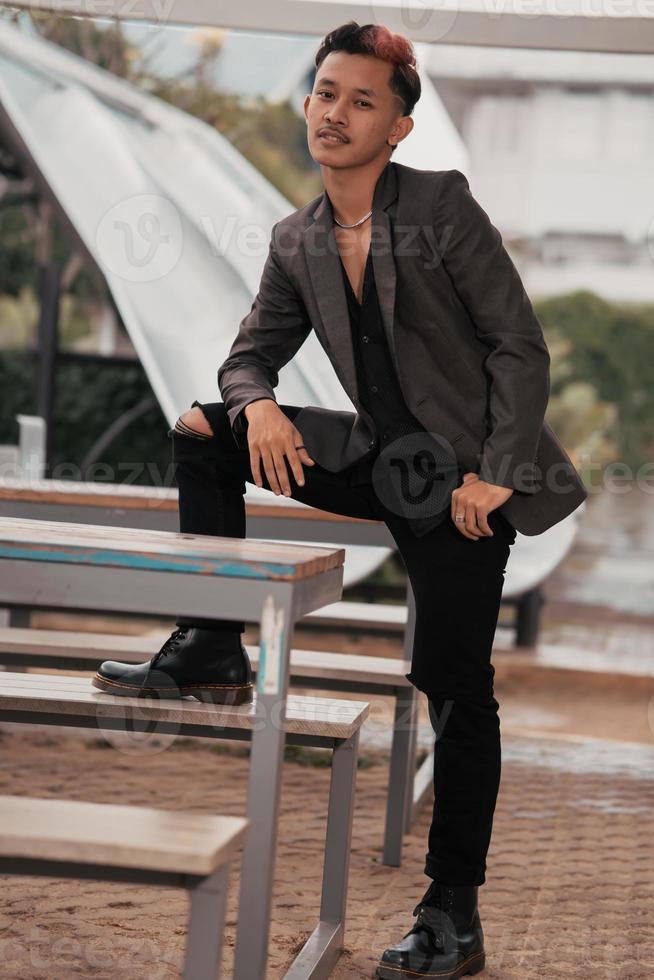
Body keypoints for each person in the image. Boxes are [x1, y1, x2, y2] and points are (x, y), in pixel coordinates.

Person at [93, 20, 587, 980]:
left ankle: (453, 913)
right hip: (376, 460)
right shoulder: (298, 237)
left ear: (398, 127)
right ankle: (209, 641)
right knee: (204, 428)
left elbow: (521, 345)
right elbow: (246, 357)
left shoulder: (440, 207)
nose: (336, 112)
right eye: (326, 93)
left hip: (464, 487)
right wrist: (262, 405)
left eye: (363, 100)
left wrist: (498, 469)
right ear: (307, 100)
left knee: (454, 689)